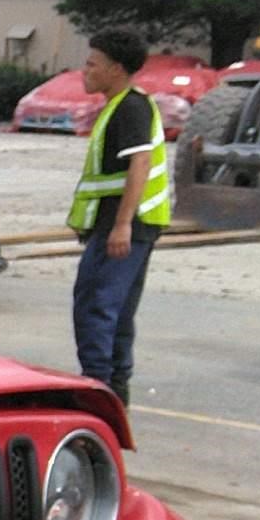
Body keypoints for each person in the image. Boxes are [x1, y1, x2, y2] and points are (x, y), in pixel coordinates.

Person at [65, 28, 172, 406]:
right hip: (124, 225)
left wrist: (122, 224)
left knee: (97, 306)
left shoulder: (130, 107)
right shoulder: (121, 105)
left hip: (127, 226)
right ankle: (113, 390)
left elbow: (139, 165)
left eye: (92, 64)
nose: (85, 70)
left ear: (115, 69)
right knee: (116, 309)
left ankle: (98, 390)